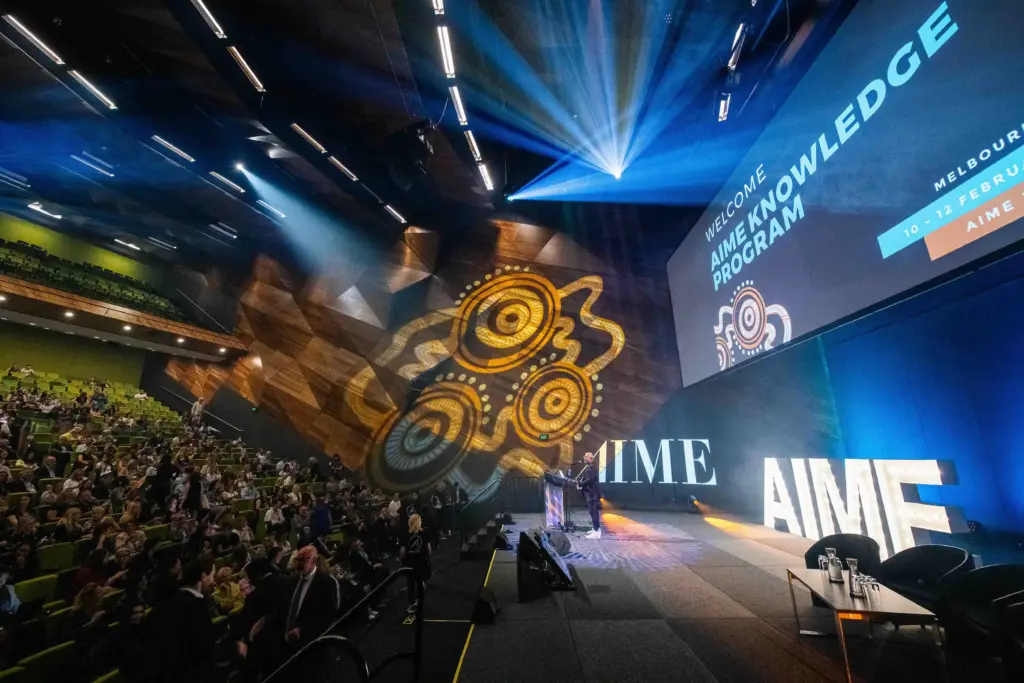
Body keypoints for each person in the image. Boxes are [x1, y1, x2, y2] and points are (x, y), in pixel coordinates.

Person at [132, 558, 217, 683]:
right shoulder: (197, 606)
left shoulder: (164, 603)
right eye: (213, 576)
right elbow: (204, 650)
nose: (214, 580)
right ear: (203, 576)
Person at [276, 545, 339, 649]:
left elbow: (329, 616)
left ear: (314, 560)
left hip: (311, 644)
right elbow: (284, 607)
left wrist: (303, 631)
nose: (298, 564)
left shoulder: (327, 582)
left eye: (303, 560)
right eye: (297, 560)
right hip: (285, 642)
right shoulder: (292, 580)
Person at [399, 514, 431, 614]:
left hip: (409, 563)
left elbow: (402, 551)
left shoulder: (406, 534)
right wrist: (428, 558)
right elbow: (429, 548)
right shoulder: (423, 533)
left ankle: (412, 604)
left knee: (411, 584)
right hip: (421, 562)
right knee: (420, 583)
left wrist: (401, 561)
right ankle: (419, 602)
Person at [578, 451, 602, 539]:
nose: (584, 458)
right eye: (584, 457)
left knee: (593, 512)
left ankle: (596, 531)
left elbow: (590, 480)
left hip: (593, 494)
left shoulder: (592, 468)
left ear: (591, 459)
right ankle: (596, 529)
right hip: (592, 493)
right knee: (593, 512)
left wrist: (581, 484)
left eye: (586, 457)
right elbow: (588, 479)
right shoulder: (590, 467)